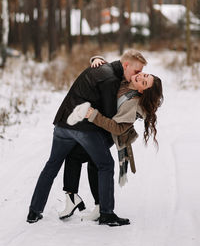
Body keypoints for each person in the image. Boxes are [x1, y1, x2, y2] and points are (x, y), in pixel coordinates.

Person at [26, 49, 147, 226]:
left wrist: (97, 57)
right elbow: (108, 113)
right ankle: (106, 213)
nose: (139, 75)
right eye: (137, 71)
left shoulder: (104, 68)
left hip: (63, 123)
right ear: (126, 65)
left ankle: (34, 211)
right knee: (105, 164)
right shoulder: (111, 80)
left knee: (52, 165)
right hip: (82, 127)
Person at [59, 71, 163, 221]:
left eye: (145, 83)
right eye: (145, 76)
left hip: (105, 134)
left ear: (142, 91)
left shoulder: (133, 103)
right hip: (95, 130)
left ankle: (86, 203)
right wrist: (97, 59)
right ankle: (98, 206)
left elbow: (118, 128)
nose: (141, 77)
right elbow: (111, 70)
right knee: (92, 163)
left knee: (77, 157)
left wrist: (93, 115)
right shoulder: (126, 80)